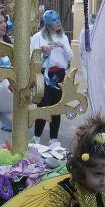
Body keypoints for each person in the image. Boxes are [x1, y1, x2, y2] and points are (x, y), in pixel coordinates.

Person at [30, 10, 73, 146]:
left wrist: (62, 45)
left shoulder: (63, 37)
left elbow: (70, 57)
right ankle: (37, 136)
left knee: (57, 106)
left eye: (59, 20)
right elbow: (33, 59)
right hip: (44, 74)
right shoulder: (37, 37)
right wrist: (44, 53)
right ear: (48, 24)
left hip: (59, 75)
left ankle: (53, 138)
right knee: (43, 105)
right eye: (55, 21)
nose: (58, 23)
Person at [78, 13, 97, 81]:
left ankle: (89, 87)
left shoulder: (85, 30)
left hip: (86, 53)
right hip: (96, 54)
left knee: (86, 70)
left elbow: (81, 42)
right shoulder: (99, 28)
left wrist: (80, 52)